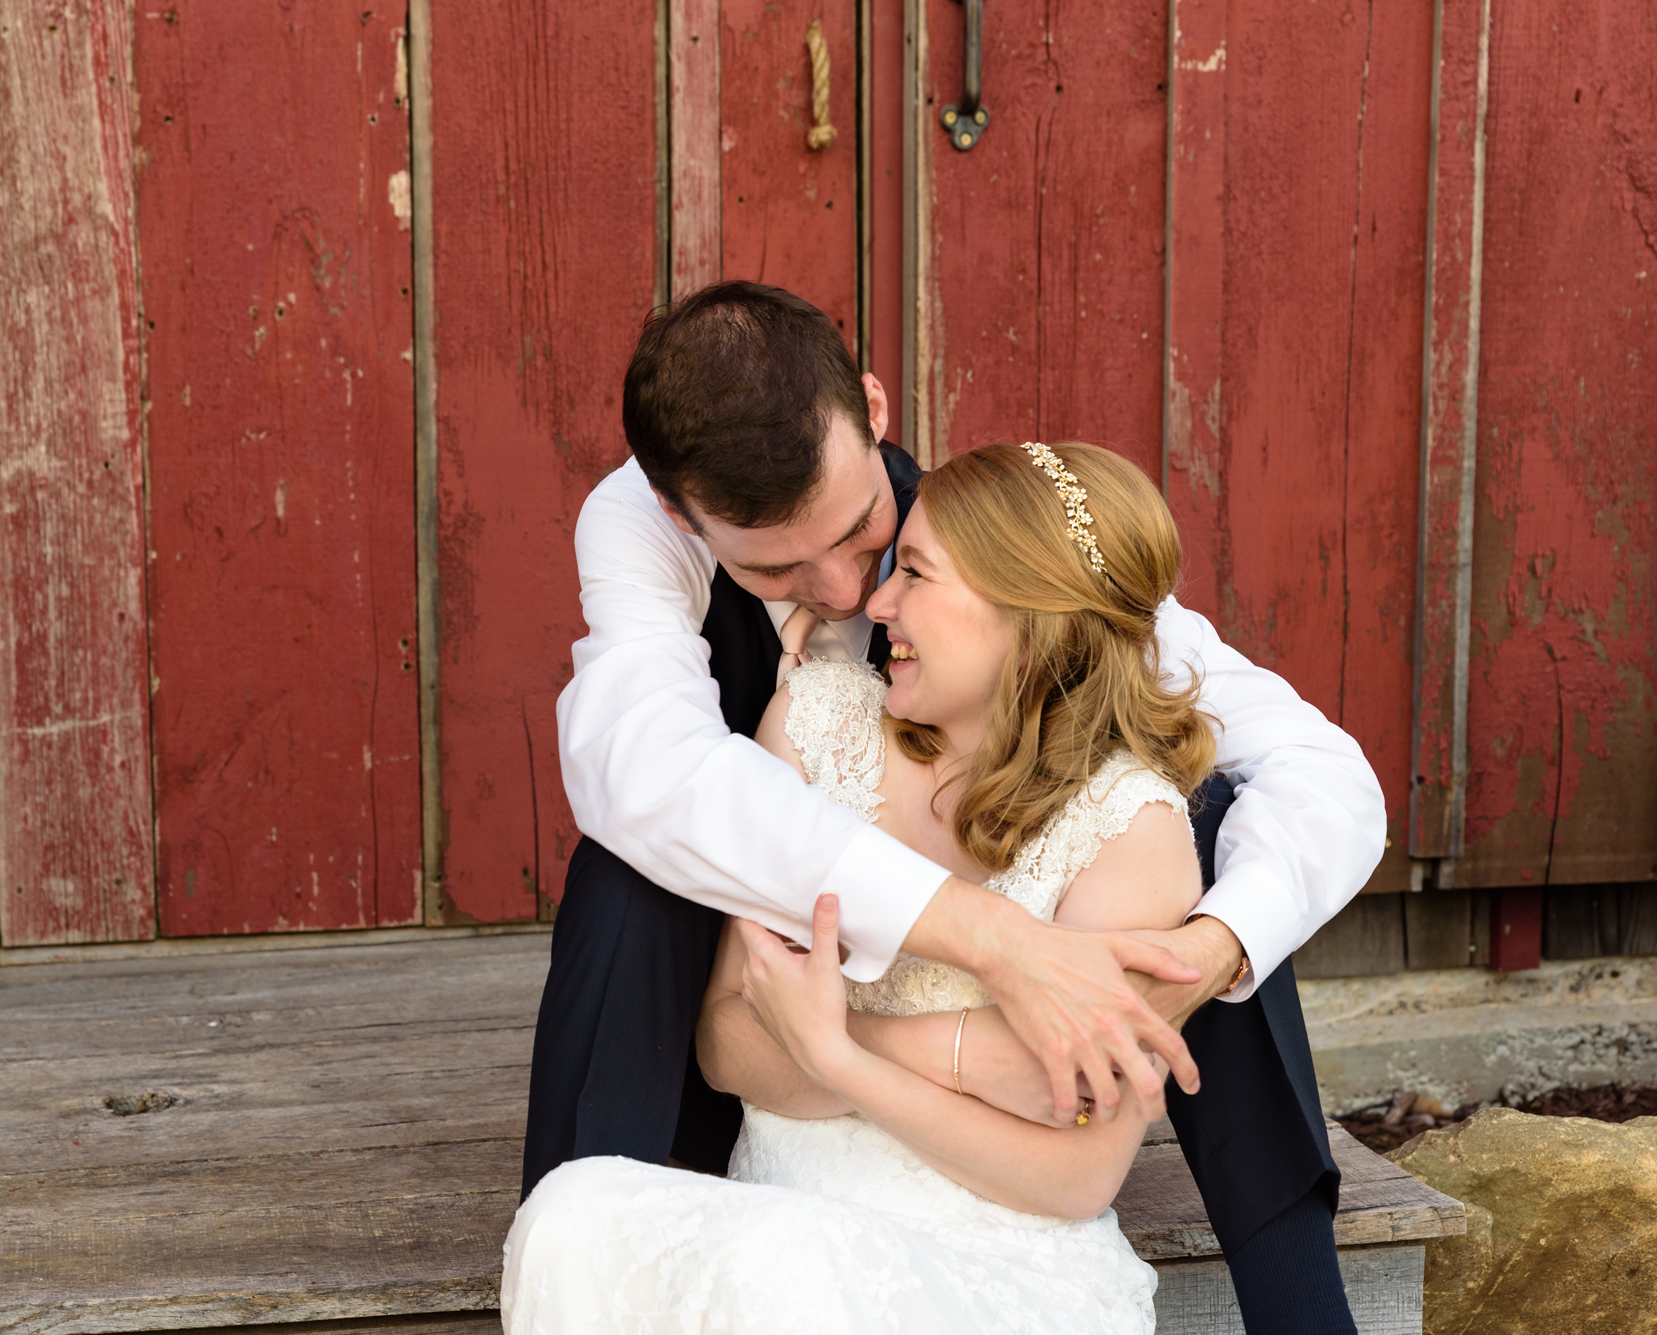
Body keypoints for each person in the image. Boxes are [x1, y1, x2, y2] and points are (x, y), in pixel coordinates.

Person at [523, 282, 1380, 1331]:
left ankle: (1294, 1293)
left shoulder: (1018, 556)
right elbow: (640, 766)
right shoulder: (641, 520)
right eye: (775, 568)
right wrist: (990, 941)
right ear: (680, 516)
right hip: (763, 986)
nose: (844, 592)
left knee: (1202, 829)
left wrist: (1205, 956)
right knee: (628, 869)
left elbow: (1319, 773)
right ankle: (617, 1222)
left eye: (860, 536)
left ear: (875, 413)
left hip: (984, 1113)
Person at [506, 439, 1218, 1331]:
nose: (874, 603)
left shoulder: (1131, 828)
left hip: (997, 1264)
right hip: (774, 1215)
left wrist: (835, 1050)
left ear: (1025, 614)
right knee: (570, 1218)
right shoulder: (817, 720)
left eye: (913, 572)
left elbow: (1076, 1174)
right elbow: (731, 1039)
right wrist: (971, 1054)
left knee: (787, 1269)